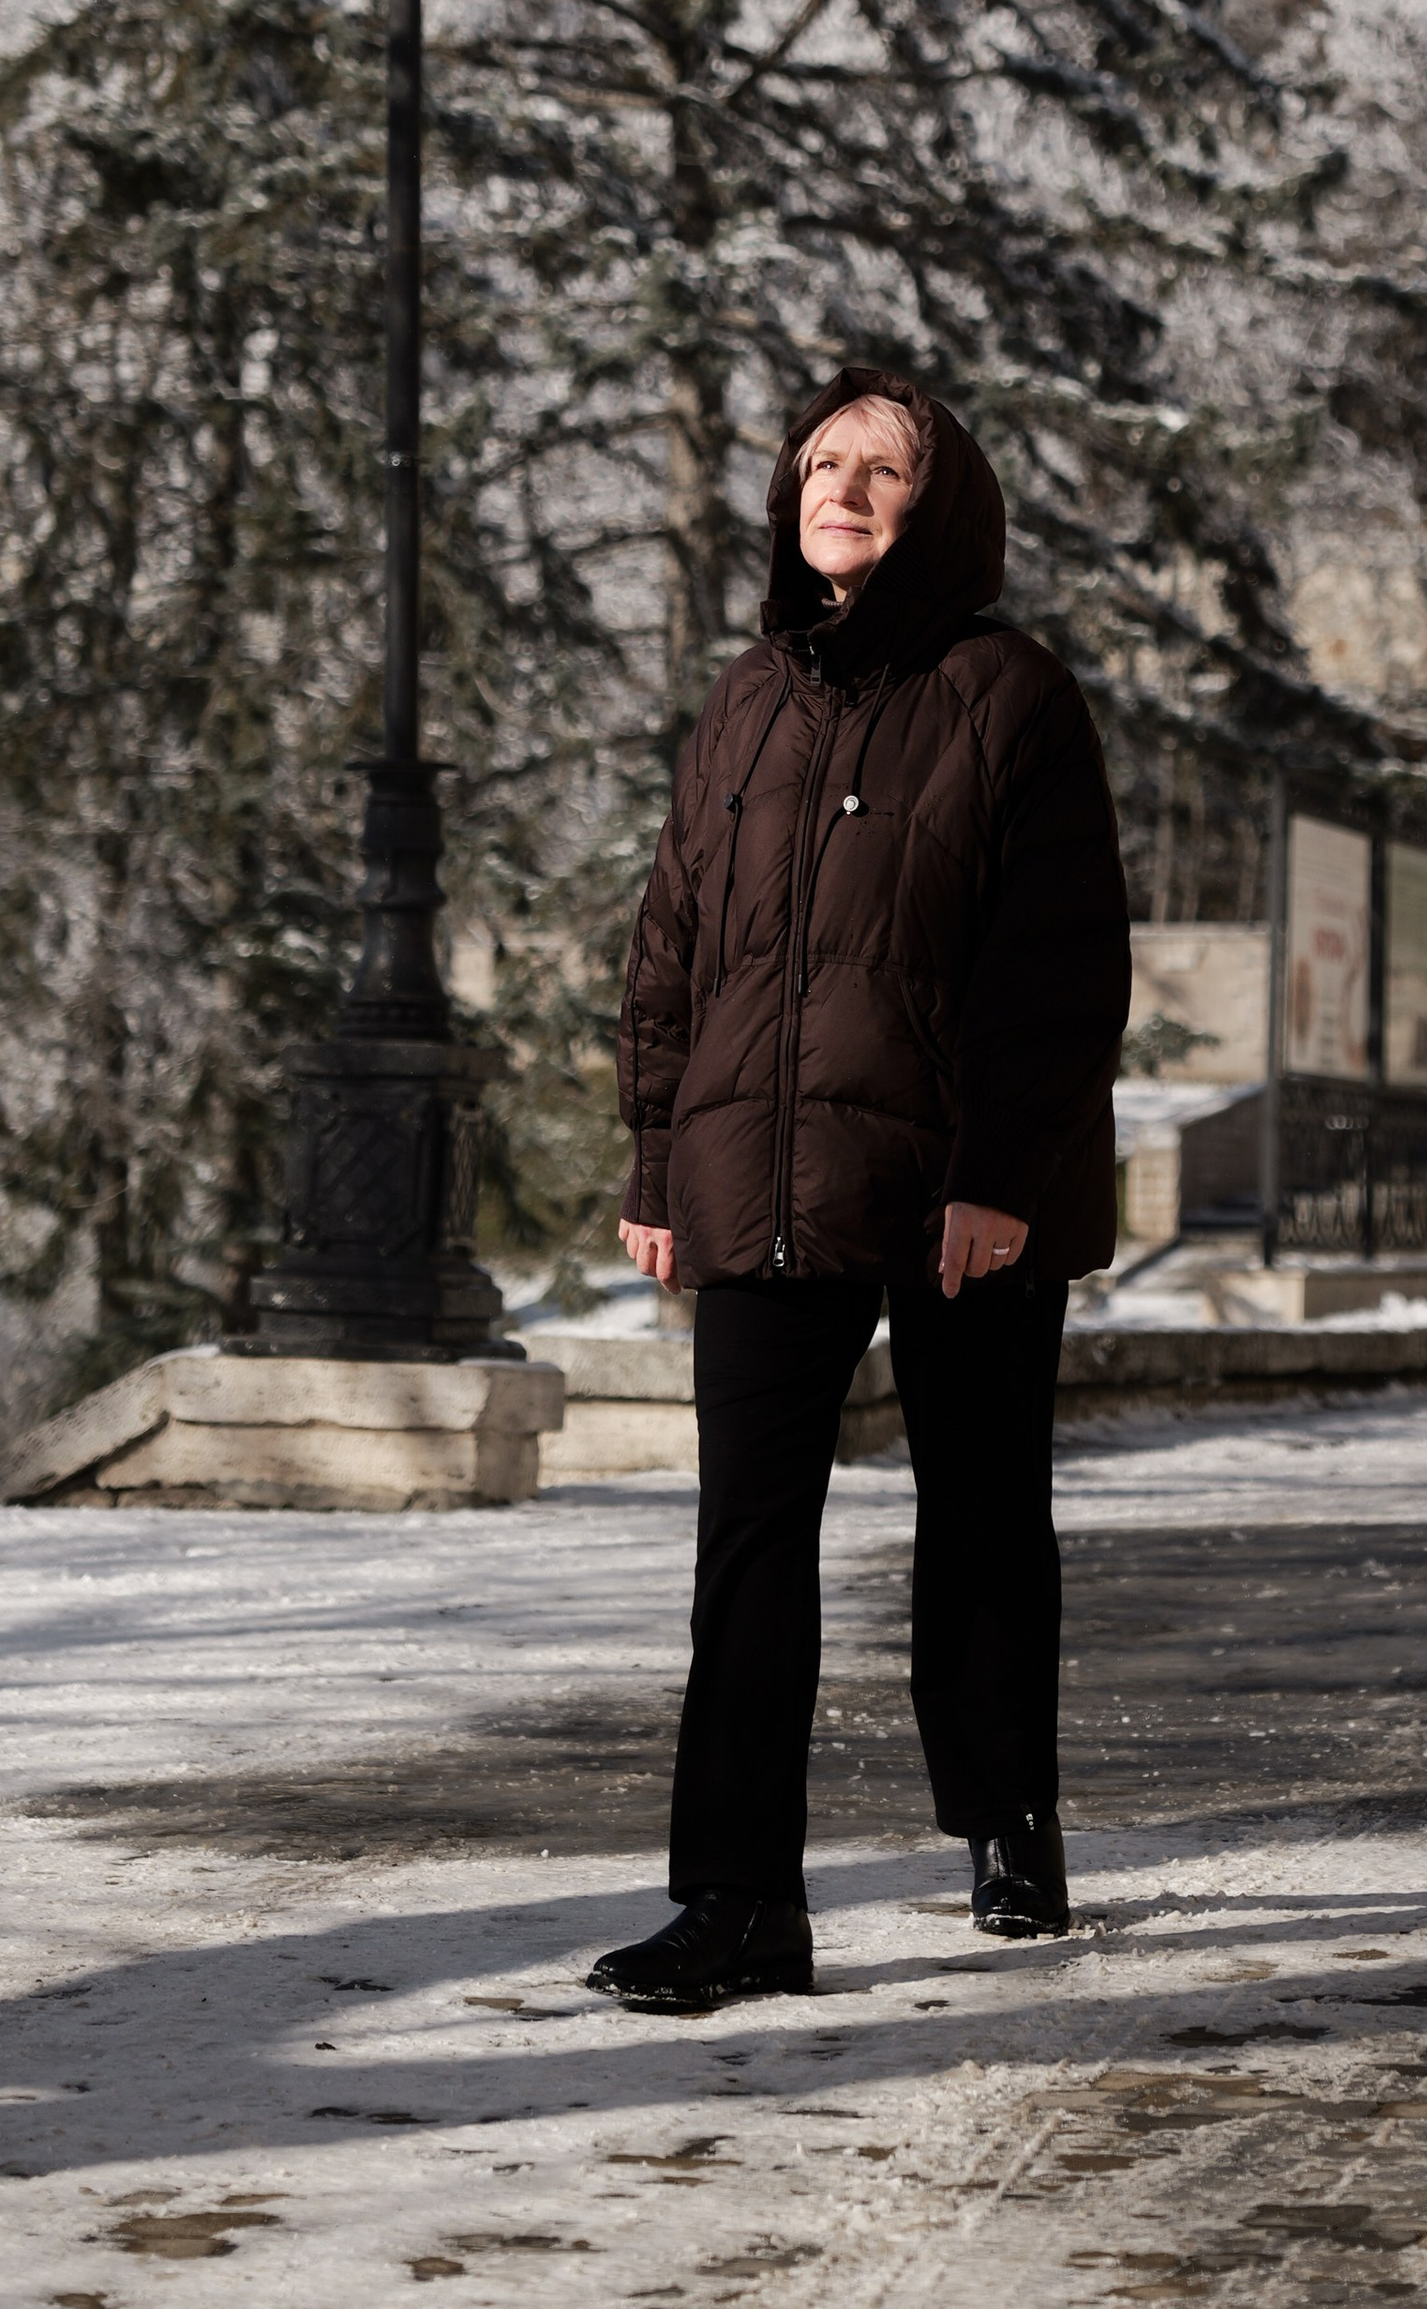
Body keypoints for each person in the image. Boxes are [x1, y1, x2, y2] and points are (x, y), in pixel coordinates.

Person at [586, 366, 1130, 2015]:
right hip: (761, 1170)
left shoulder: (1008, 691)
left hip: (963, 1182)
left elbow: (1058, 964)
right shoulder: (748, 700)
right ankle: (740, 1901)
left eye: (881, 468)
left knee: (981, 1510)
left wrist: (1000, 1177)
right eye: (820, 462)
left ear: (939, 506)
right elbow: (673, 944)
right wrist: (658, 1155)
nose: (840, 487)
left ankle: (1008, 1819)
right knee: (749, 1539)